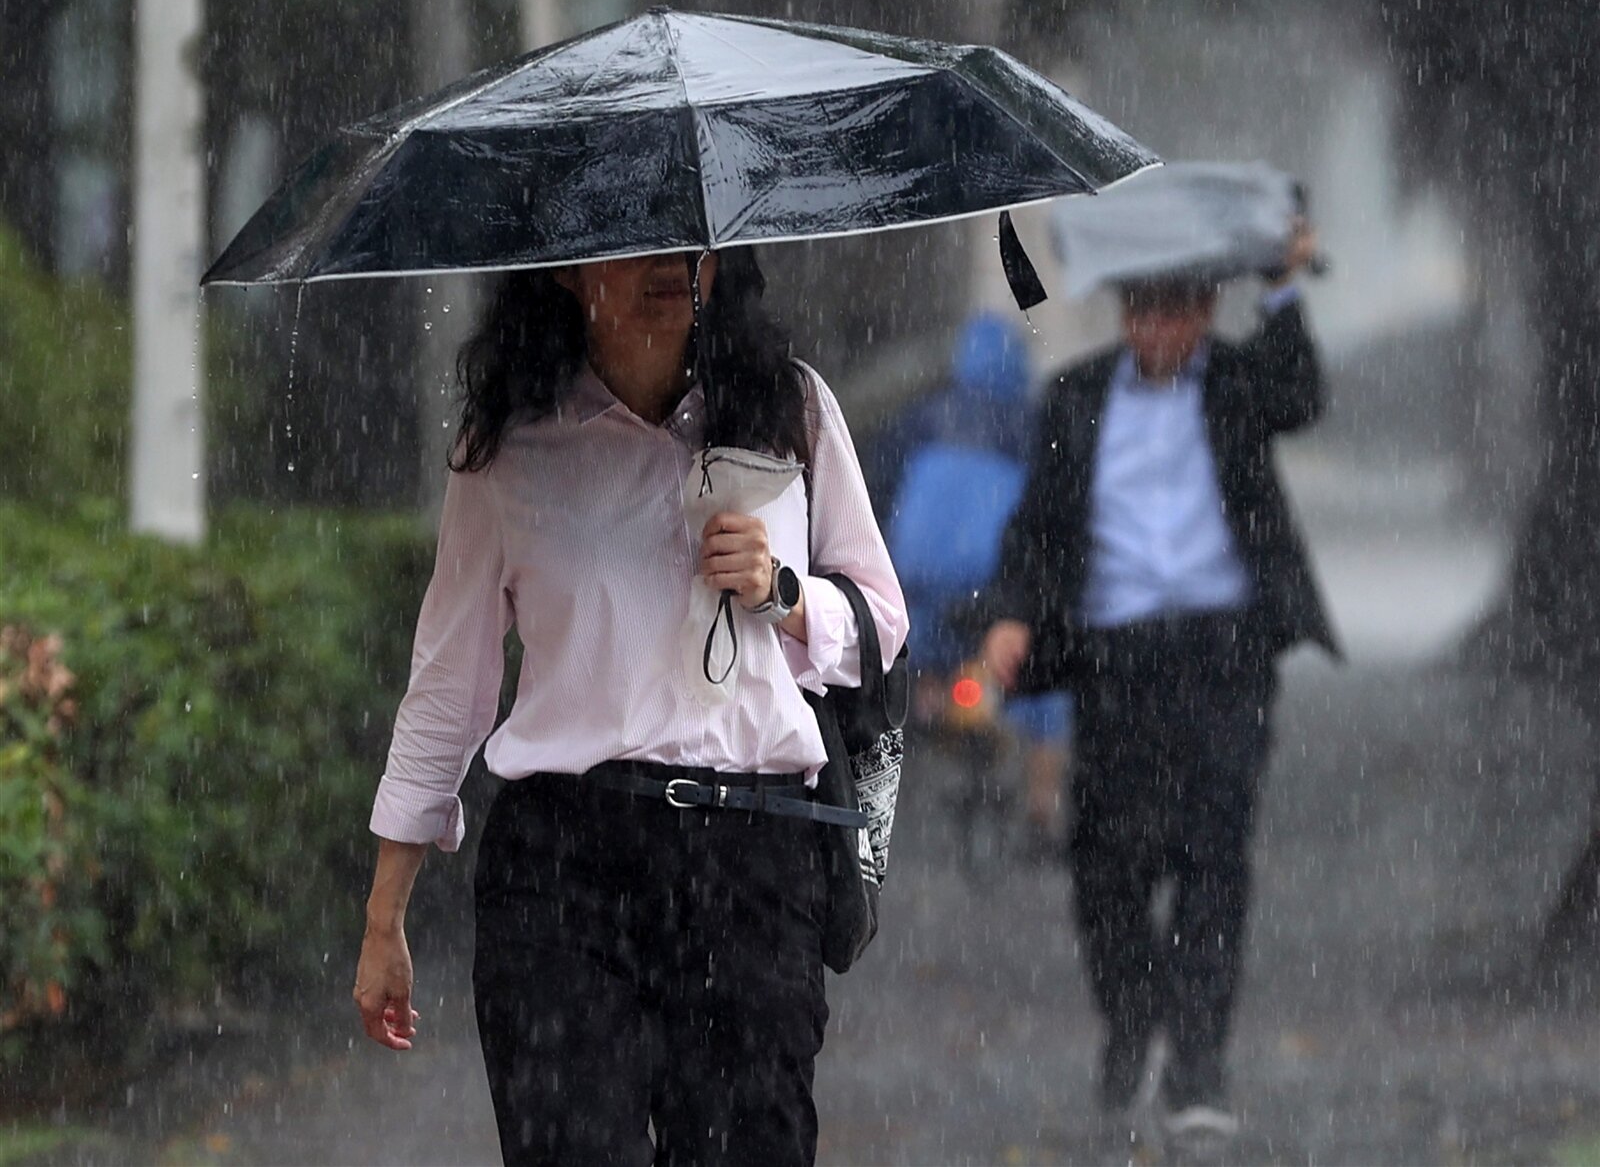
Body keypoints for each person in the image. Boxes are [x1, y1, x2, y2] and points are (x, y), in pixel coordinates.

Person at [352, 247, 908, 1167]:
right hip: (563, 870)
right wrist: (385, 917)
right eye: (630, 238)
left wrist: (784, 591)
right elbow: (450, 684)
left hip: (752, 863)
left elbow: (881, 623)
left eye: (688, 238)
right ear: (567, 270)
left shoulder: (792, 409)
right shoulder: (506, 445)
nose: (669, 263)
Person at [981, 223, 1336, 1145]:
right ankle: (1134, 1020)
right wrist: (1013, 615)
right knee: (1107, 863)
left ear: (1205, 310)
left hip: (1224, 655)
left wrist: (1286, 289)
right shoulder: (1077, 400)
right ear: (1124, 310)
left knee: (1214, 856)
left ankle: (1198, 1064)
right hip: (1115, 661)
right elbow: (1037, 527)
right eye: (1140, 308)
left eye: (1174, 309)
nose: (1155, 329)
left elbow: (1303, 395)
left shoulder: (1237, 387)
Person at [866, 311, 1073, 847]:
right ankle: (1040, 810)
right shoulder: (1032, 429)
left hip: (916, 594)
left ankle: (874, 804)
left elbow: (877, 489)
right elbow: (1050, 522)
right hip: (993, 591)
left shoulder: (922, 418)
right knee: (1042, 682)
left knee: (898, 668)